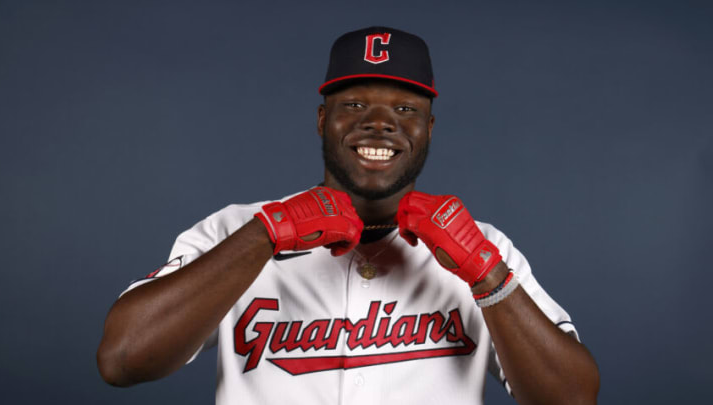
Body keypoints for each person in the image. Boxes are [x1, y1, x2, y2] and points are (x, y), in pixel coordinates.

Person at [97, 26, 599, 404]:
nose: (379, 123)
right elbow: (122, 360)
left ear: (429, 127)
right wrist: (264, 236)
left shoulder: (485, 247)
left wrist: (487, 276)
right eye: (355, 103)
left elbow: (574, 398)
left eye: (405, 110)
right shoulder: (234, 231)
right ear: (323, 120)